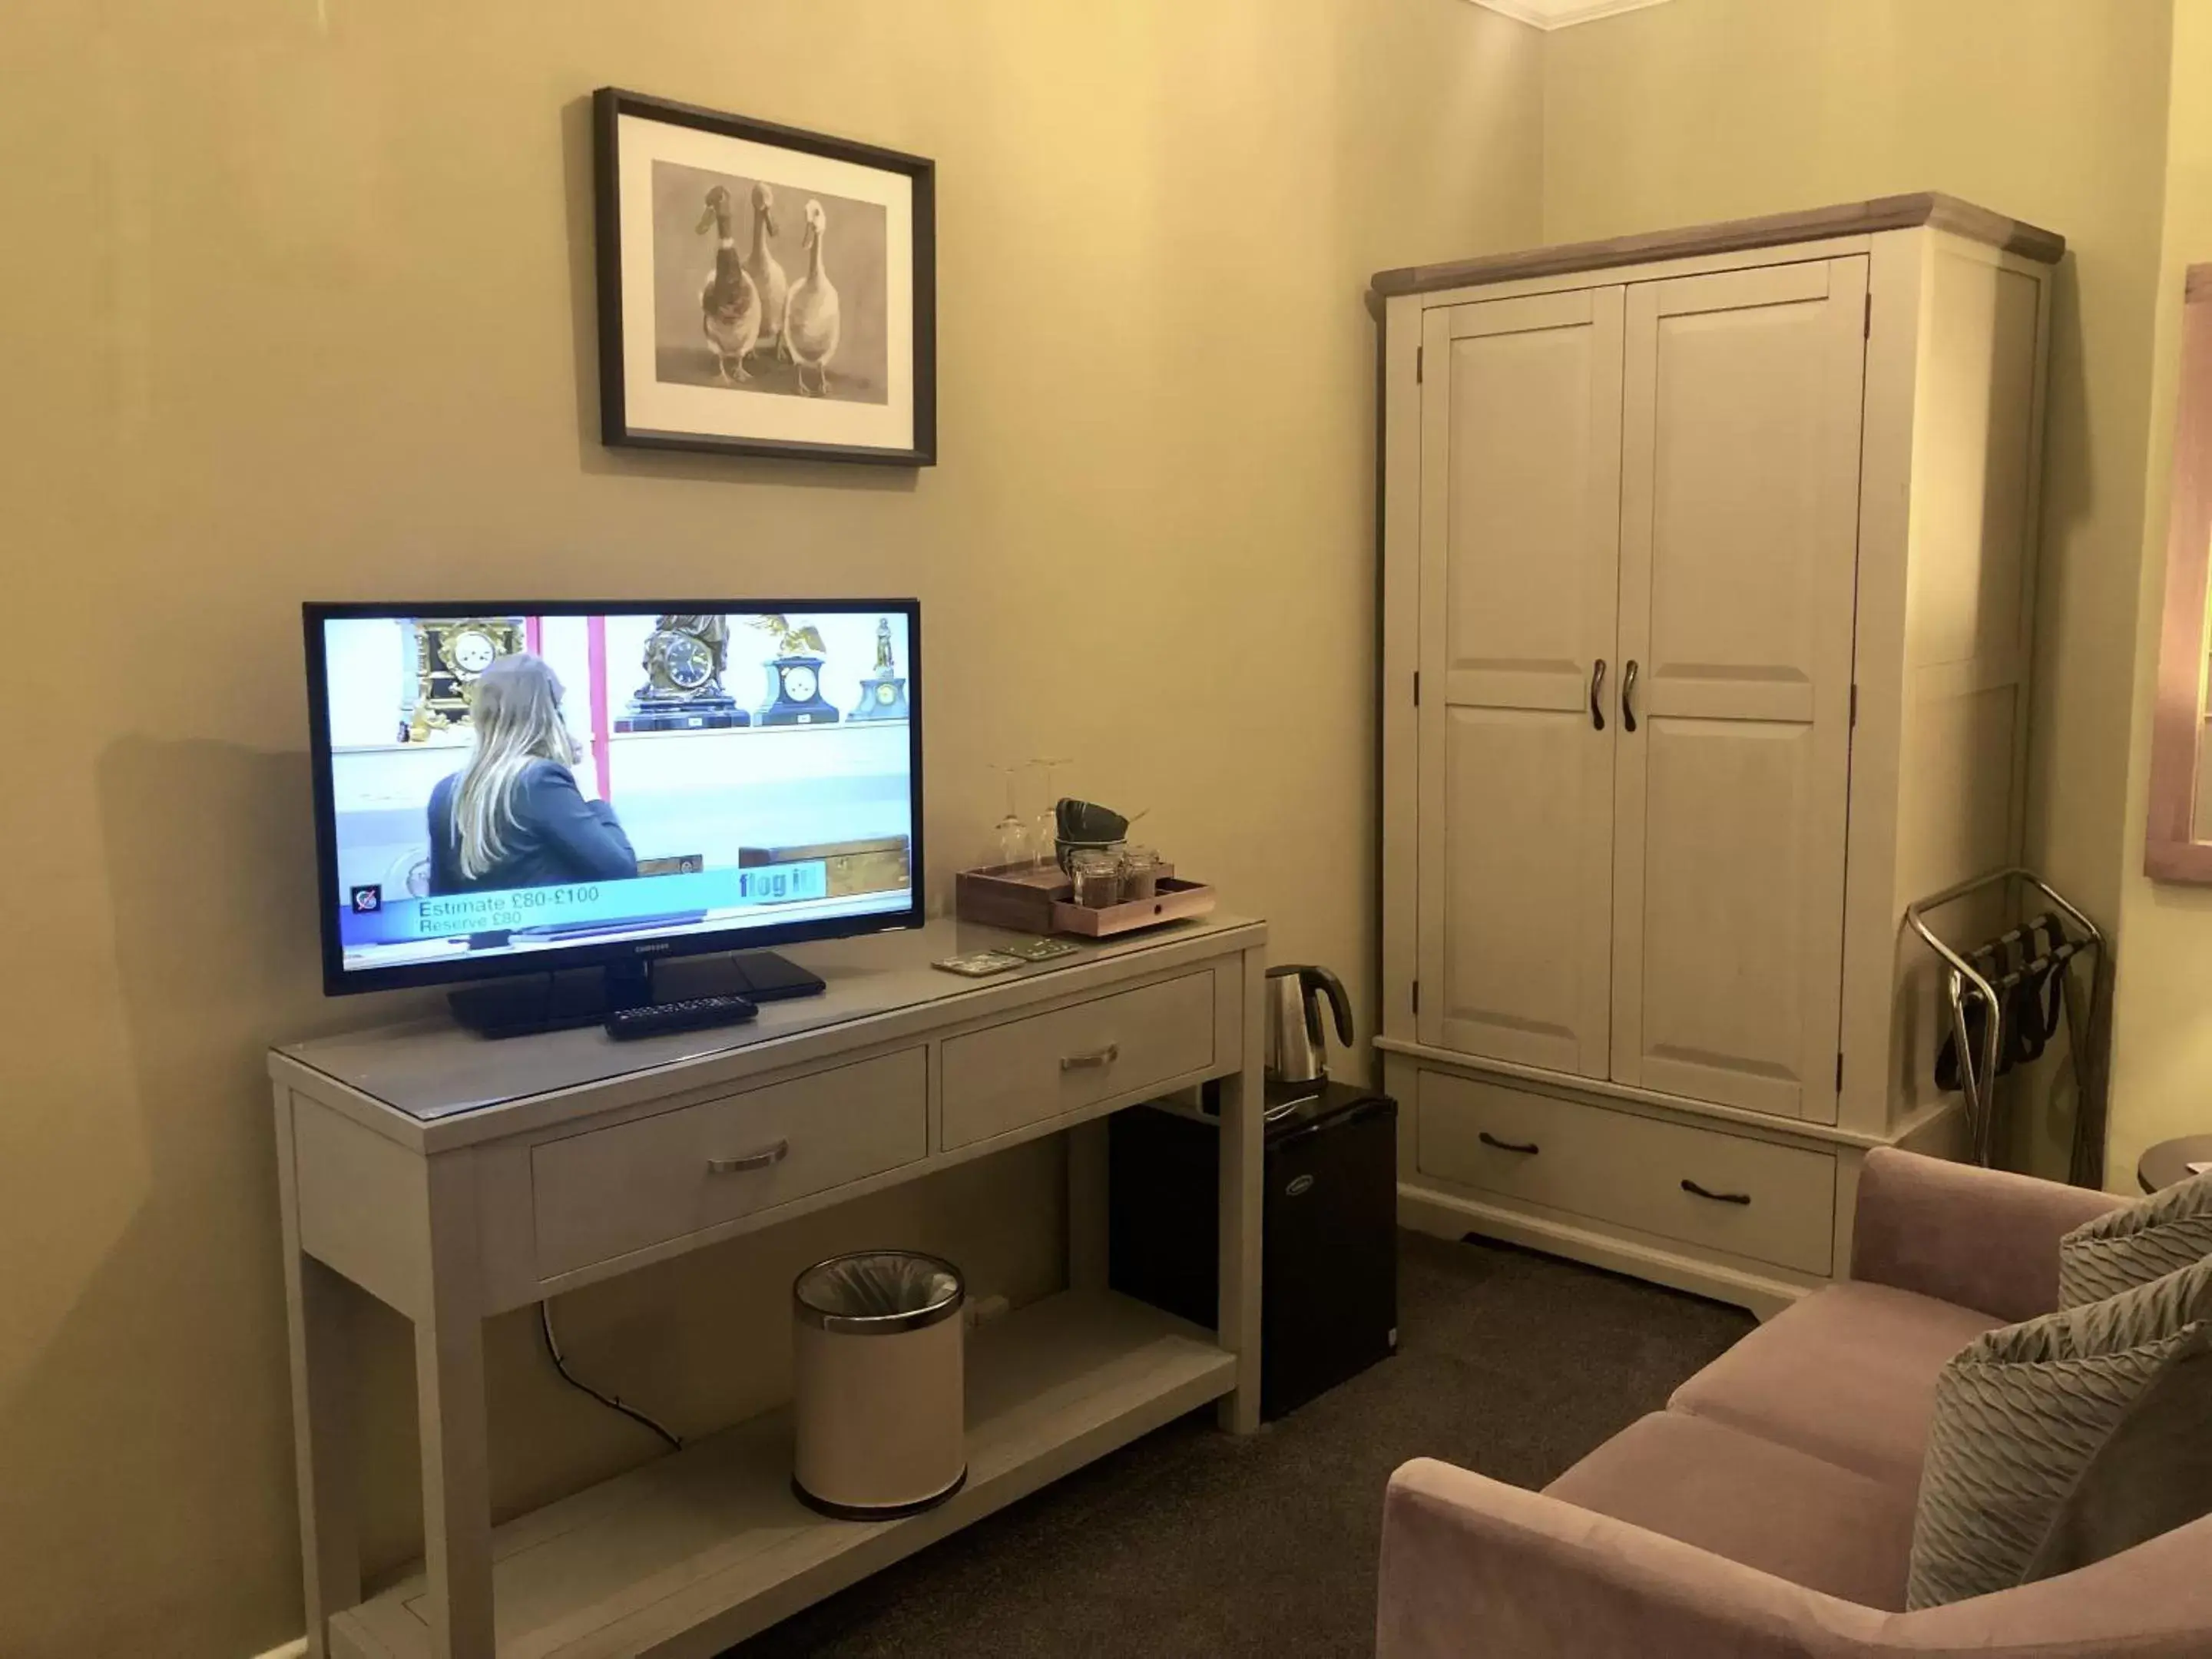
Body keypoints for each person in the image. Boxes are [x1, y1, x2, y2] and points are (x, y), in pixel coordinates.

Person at [426, 653, 638, 895]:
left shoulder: (446, 790)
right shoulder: (540, 781)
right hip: (550, 931)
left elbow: (440, 899)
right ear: (550, 713)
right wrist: (590, 791)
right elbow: (621, 871)